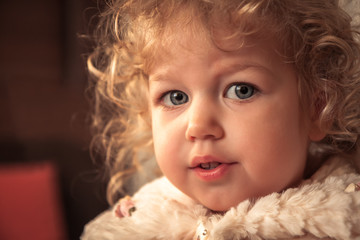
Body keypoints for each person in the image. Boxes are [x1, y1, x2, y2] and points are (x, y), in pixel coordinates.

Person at [82, 0, 360, 239]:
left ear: (316, 107)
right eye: (175, 97)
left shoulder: (343, 218)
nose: (199, 126)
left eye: (241, 90)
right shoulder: (136, 221)